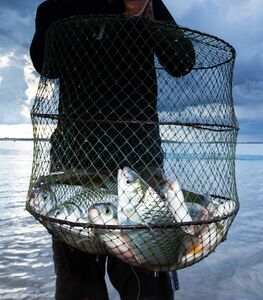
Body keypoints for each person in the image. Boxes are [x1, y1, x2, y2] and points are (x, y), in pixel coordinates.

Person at [30, 0, 195, 299]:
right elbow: (46, 65)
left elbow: (182, 61)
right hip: (74, 168)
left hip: (139, 165)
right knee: (78, 285)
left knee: (147, 280)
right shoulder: (54, 9)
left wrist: (147, 17)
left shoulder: (147, 0)